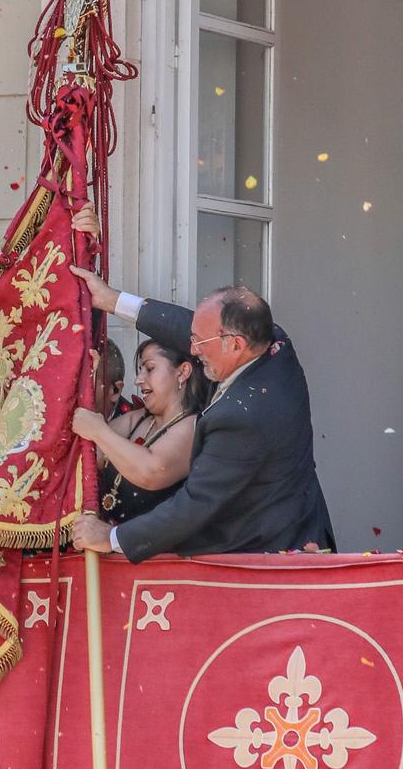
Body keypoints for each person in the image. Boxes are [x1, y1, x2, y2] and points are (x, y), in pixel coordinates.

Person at [68, 228, 334, 561]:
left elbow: (195, 505)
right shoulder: (273, 343)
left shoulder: (243, 419)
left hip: (270, 554)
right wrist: (110, 300)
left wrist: (113, 538)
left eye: (200, 343)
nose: (191, 350)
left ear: (235, 344)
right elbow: (186, 326)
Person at [76, 334, 211, 528]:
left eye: (149, 369)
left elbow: (151, 471)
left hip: (159, 554)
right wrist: (89, 381)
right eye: (140, 370)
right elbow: (87, 452)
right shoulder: (138, 419)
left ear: (183, 372)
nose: (139, 380)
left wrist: (98, 430)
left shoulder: (193, 426)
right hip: (110, 550)